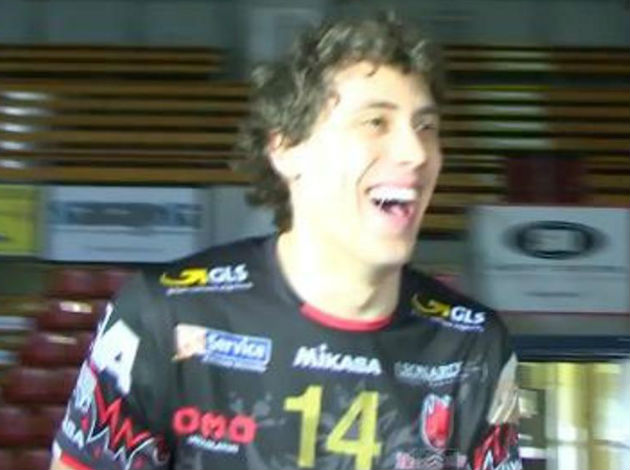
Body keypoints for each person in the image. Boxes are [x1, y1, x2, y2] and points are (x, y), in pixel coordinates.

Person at [50, 12, 521, 470]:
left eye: (426, 127)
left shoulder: (471, 347)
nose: (416, 152)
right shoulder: (164, 315)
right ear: (287, 149)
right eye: (375, 122)